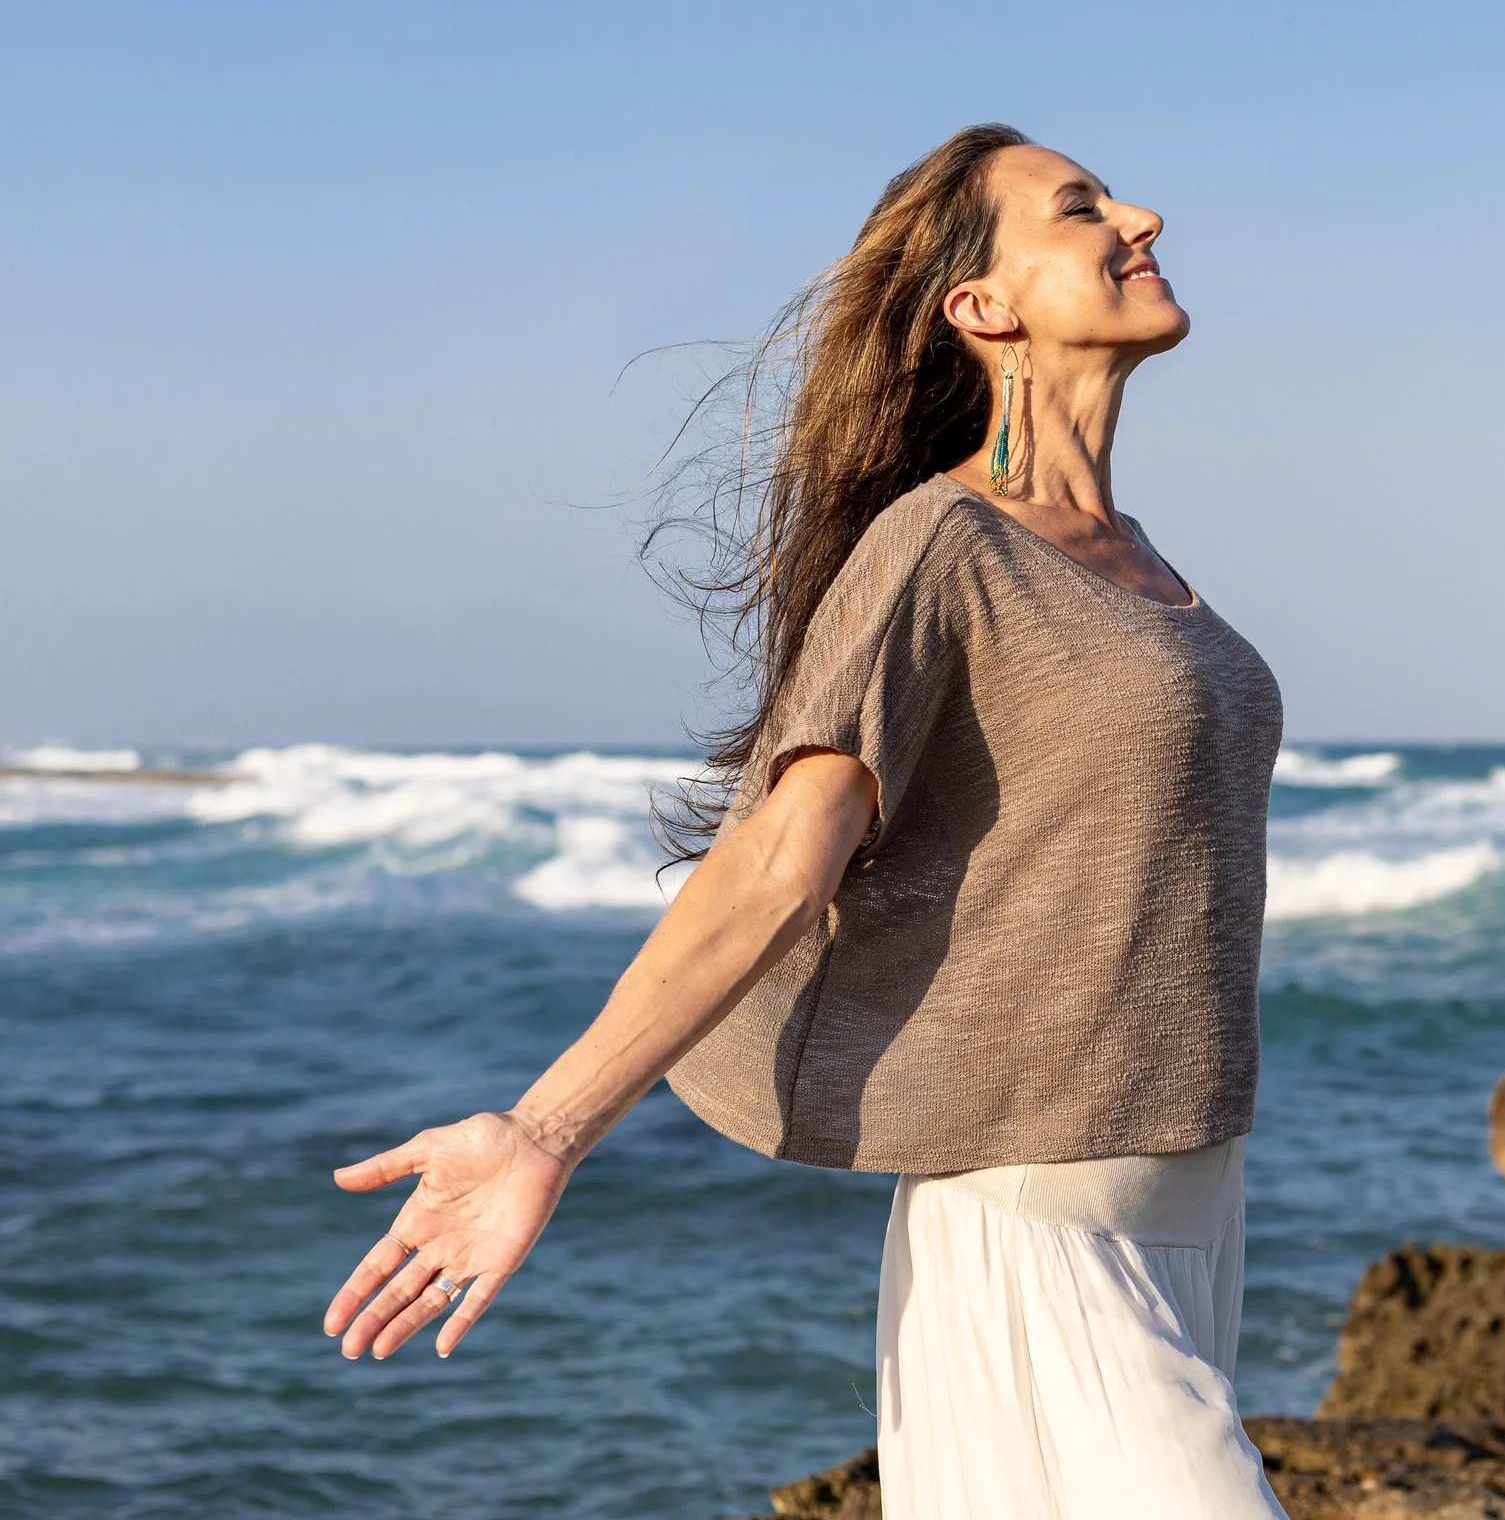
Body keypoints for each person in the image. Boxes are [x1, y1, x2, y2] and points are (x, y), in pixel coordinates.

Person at [319, 125, 1291, 1518]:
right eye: (1080, 208)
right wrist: (545, 1130)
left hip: (1195, 1199)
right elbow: (784, 852)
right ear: (984, 307)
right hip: (1032, 1221)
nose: (1140, 214)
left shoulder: (1142, 564)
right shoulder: (945, 545)